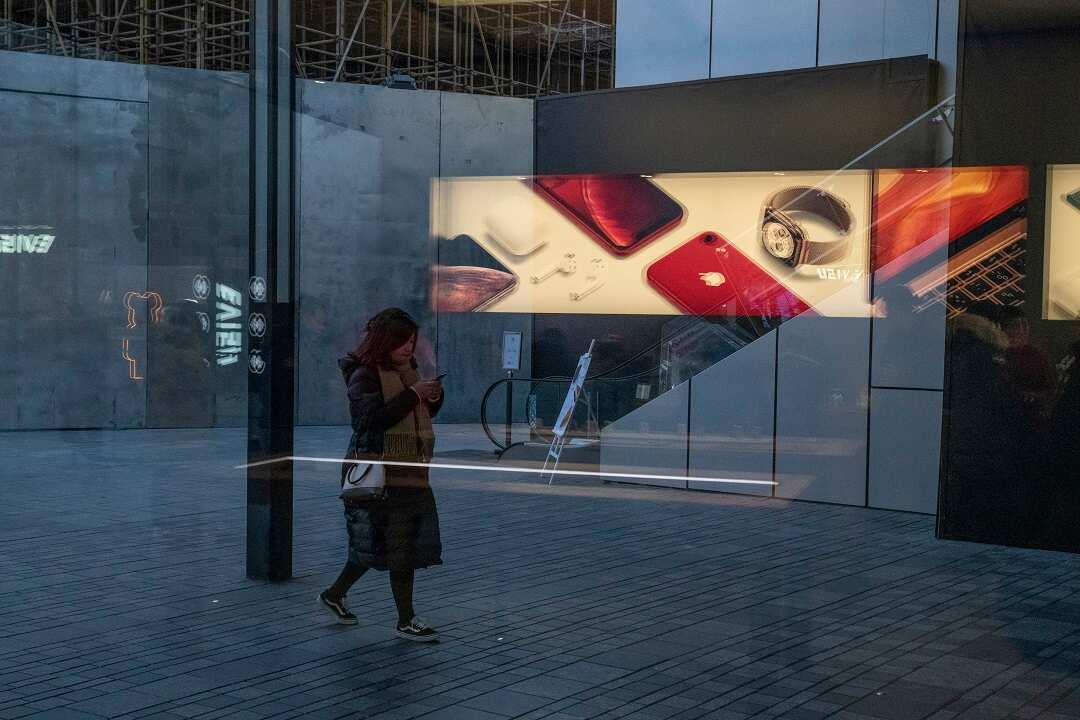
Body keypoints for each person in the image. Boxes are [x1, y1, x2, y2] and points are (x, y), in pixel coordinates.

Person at [317, 308, 445, 642]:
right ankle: (406, 620)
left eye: (412, 341)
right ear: (384, 340)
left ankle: (333, 595)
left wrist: (430, 396)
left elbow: (418, 412)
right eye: (402, 341)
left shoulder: (408, 369)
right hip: (379, 471)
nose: (408, 348)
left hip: (411, 468)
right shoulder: (364, 374)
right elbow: (369, 420)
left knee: (380, 546)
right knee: (393, 546)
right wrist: (413, 394)